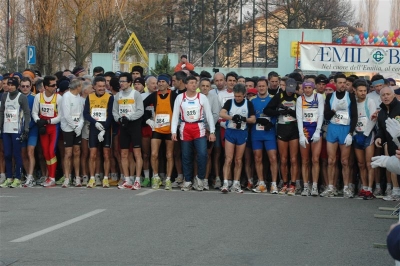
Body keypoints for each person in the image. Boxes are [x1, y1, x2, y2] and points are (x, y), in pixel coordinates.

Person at [171, 75, 216, 191]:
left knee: (202, 154)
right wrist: (173, 131)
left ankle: (200, 179)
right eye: (191, 83)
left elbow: (209, 115)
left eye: (195, 83)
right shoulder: (180, 97)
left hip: (199, 127)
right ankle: (188, 180)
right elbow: (175, 115)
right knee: (186, 156)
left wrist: (212, 131)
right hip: (185, 128)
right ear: (186, 85)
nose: (194, 85)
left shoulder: (202, 97)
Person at [321, 73, 358, 198]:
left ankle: (346, 188)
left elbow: (354, 116)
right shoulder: (330, 96)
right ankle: (330, 187)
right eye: (340, 82)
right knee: (331, 161)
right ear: (335, 84)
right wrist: (334, 110)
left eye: (344, 82)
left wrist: (351, 133)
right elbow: (326, 116)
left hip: (345, 128)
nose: (343, 85)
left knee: (345, 161)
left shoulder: (350, 96)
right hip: (333, 128)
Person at [264, 78, 299, 196]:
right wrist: (279, 112)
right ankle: (284, 184)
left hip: (294, 129)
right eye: (288, 89)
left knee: (293, 159)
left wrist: (290, 111)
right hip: (282, 128)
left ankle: (293, 184)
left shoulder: (298, 97)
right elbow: (267, 110)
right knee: (283, 159)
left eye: (292, 90)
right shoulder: (279, 96)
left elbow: (302, 114)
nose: (290, 92)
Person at [219, 83, 256, 193]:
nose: (237, 98)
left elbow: (253, 119)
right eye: (236, 96)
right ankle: (225, 183)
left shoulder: (248, 104)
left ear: (244, 94)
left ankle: (236, 183)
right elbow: (221, 113)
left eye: (240, 96)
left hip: (242, 133)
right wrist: (232, 117)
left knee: (238, 160)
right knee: (228, 159)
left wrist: (243, 119)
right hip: (231, 132)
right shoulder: (230, 102)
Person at [143, 74, 177, 190]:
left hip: (169, 129)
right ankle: (156, 177)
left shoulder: (174, 95)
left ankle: (168, 179)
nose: (161, 83)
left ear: (168, 83)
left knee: (169, 155)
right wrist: (148, 119)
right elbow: (142, 107)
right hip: (157, 128)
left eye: (163, 81)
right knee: (154, 154)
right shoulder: (153, 96)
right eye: (159, 81)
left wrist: (176, 127)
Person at [112, 72, 144, 190]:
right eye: (120, 81)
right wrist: (118, 118)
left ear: (130, 82)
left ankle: (137, 180)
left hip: (134, 124)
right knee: (124, 154)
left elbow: (140, 111)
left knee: (137, 153)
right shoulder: (118, 95)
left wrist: (129, 117)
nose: (121, 83)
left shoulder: (135, 94)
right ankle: (127, 179)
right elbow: (114, 111)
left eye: (123, 81)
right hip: (123, 125)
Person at [31, 75, 63, 187]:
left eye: (56, 85)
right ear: (45, 87)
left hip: (53, 128)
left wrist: (48, 121)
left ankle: (52, 178)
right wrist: (38, 121)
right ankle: (49, 176)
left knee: (51, 152)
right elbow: (34, 112)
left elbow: (60, 116)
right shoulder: (38, 97)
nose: (55, 87)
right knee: (45, 153)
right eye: (52, 85)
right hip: (43, 128)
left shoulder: (58, 98)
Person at [83, 76, 114, 188]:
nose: (102, 88)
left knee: (106, 154)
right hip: (94, 127)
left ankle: (105, 178)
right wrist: (94, 123)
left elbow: (110, 115)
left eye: (103, 86)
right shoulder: (90, 97)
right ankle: (92, 178)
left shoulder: (109, 97)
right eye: (99, 86)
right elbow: (86, 113)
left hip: (105, 127)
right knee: (93, 154)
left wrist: (104, 129)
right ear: (94, 87)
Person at [0, 77, 30, 188]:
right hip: (6, 130)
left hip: (16, 130)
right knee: (7, 154)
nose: (10, 87)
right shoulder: (4, 96)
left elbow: (27, 113)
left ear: (17, 86)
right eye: (9, 84)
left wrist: (26, 129)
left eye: (13, 85)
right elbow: (2, 112)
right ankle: (9, 177)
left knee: (17, 154)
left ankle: (18, 178)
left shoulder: (21, 97)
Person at [296, 81, 324, 196]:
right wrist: (301, 135)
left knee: (315, 159)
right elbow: (299, 117)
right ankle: (306, 186)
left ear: (313, 88)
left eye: (309, 88)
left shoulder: (319, 97)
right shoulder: (300, 99)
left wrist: (318, 130)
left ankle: (315, 186)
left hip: (316, 129)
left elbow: (321, 114)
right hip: (305, 130)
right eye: (305, 88)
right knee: (305, 160)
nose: (307, 90)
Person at [250, 78, 279, 193]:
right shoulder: (252, 100)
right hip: (256, 133)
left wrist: (271, 123)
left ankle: (274, 184)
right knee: (257, 158)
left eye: (263, 86)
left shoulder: (272, 99)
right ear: (257, 87)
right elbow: (250, 114)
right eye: (259, 86)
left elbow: (276, 114)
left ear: (267, 86)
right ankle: (261, 183)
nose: (261, 88)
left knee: (273, 158)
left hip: (269, 133)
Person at [351, 79, 377, 199]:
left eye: (365, 91)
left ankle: (370, 189)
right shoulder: (353, 102)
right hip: (357, 135)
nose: (363, 93)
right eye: (360, 91)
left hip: (368, 135)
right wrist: (354, 133)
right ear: (354, 91)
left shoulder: (370, 101)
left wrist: (366, 133)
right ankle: (364, 187)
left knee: (369, 163)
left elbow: (373, 118)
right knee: (361, 164)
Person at [374, 87, 400, 201]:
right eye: (383, 95)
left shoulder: (399, 108)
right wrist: (379, 137)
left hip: (399, 142)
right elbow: (381, 128)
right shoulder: (382, 111)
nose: (386, 96)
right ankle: (395, 191)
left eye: (388, 94)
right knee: (393, 168)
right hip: (389, 143)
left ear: (393, 95)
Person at [60, 79, 84, 187]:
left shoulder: (79, 97)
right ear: (77, 87)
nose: (82, 88)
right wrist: (74, 126)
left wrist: (80, 125)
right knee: (68, 153)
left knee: (77, 152)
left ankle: (77, 177)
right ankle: (67, 177)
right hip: (68, 128)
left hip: (77, 127)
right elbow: (66, 114)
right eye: (81, 86)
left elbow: (81, 113)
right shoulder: (66, 96)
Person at [199, 78, 220, 190]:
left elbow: (216, 114)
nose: (205, 88)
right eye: (203, 85)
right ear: (199, 86)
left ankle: (205, 180)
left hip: (210, 129)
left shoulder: (214, 97)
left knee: (207, 155)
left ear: (210, 87)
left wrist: (208, 129)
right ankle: (197, 179)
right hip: (197, 129)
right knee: (197, 155)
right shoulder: (196, 97)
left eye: (207, 86)